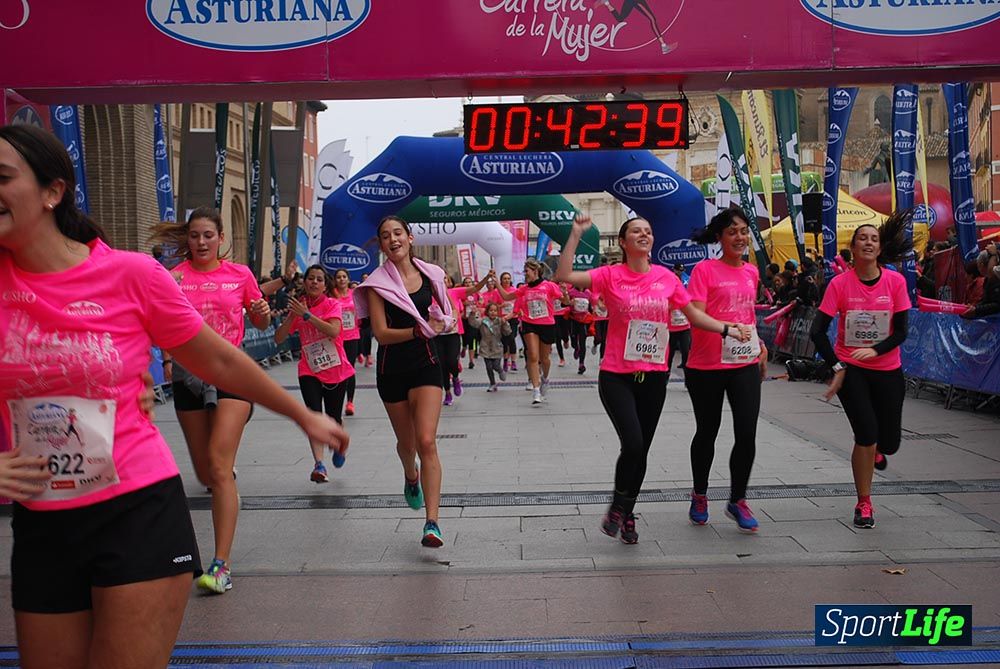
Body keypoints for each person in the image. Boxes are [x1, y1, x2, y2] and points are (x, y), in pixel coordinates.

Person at [0, 125, 347, 668]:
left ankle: (222, 556)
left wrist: (301, 414)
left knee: (217, 466)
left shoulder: (129, 275)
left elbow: (221, 359)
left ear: (53, 191)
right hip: (42, 518)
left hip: (135, 508)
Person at [556, 214, 750, 543]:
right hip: (617, 374)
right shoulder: (610, 275)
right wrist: (575, 235)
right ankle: (618, 506)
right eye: (636, 231)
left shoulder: (666, 279)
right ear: (623, 242)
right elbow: (563, 275)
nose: (644, 235)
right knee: (631, 443)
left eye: (648, 230)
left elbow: (693, 316)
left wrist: (728, 329)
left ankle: (628, 513)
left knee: (641, 451)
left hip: (655, 376)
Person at [153, 206, 276, 595]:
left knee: (221, 470)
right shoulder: (172, 278)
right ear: (186, 240)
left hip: (231, 374)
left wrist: (260, 312)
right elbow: (160, 326)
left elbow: (261, 322)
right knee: (206, 472)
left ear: (221, 238)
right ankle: (221, 458)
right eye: (194, 236)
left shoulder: (238, 275)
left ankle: (220, 565)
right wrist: (169, 362)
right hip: (190, 380)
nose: (201, 242)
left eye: (208, 235)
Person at [354, 215, 454, 547]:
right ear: (381, 245)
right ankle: (411, 476)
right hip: (392, 370)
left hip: (426, 365)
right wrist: (417, 329)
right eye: (385, 236)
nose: (393, 239)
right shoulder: (377, 285)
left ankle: (432, 522)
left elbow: (446, 312)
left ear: (410, 238)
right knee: (407, 445)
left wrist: (441, 323)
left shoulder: (432, 274)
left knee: (426, 441)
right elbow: (381, 334)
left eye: (398, 233)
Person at [810, 211, 914, 528]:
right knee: (866, 434)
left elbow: (901, 331)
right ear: (853, 248)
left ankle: (879, 452)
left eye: (873, 238)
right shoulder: (840, 285)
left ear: (880, 249)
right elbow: (817, 331)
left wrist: (875, 349)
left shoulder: (894, 281)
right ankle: (864, 503)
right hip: (851, 369)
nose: (868, 243)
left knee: (890, 442)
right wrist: (838, 366)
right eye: (862, 238)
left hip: (887, 368)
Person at [685, 207, 769, 533]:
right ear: (719, 236)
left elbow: (747, 315)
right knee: (708, 431)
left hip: (744, 362)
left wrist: (759, 346)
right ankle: (700, 494)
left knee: (746, 431)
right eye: (732, 231)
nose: (740, 237)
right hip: (706, 364)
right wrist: (726, 328)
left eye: (744, 231)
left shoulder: (751, 272)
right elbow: (698, 315)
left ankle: (738, 499)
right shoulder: (704, 270)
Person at [275, 265, 353, 483]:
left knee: (333, 417)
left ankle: (338, 446)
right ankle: (319, 464)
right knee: (313, 416)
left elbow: (334, 331)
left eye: (319, 279)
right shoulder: (297, 308)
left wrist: (307, 315)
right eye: (311, 278)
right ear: (305, 282)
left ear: (325, 285)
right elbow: (278, 339)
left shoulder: (332, 304)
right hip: (309, 369)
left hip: (335, 369)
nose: (314, 283)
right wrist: (293, 317)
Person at [495, 258, 569, 405]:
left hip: (547, 324)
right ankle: (536, 390)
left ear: (535, 271)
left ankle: (545, 379)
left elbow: (565, 302)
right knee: (533, 356)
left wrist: (565, 293)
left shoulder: (549, 286)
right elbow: (506, 296)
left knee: (545, 359)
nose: (525, 274)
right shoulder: (524, 289)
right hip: (530, 324)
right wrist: (496, 281)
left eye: (527, 271)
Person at [331, 268, 361, 416]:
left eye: (344, 276)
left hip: (352, 336)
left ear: (348, 279)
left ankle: (350, 402)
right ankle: (337, 399)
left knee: (350, 368)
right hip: (336, 337)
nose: (341, 279)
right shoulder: (331, 295)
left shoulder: (354, 294)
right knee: (338, 369)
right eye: (338, 277)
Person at [469, 301, 512, 392]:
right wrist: (472, 314)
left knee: (496, 365)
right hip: (485, 347)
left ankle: (500, 371)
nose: (493, 312)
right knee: (488, 367)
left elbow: (507, 332)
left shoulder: (500, 321)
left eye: (495, 311)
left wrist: (505, 323)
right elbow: (474, 323)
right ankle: (492, 383)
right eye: (491, 310)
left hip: (497, 346)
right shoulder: (483, 321)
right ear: (487, 312)